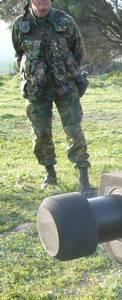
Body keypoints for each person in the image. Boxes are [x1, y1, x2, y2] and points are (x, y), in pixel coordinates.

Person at [11, 0, 93, 195]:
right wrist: (33, 74)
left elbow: (78, 52)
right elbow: (19, 54)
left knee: (74, 131)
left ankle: (83, 178)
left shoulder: (65, 21)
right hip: (36, 89)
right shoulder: (20, 24)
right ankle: (50, 174)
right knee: (41, 133)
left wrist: (64, 71)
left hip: (65, 86)